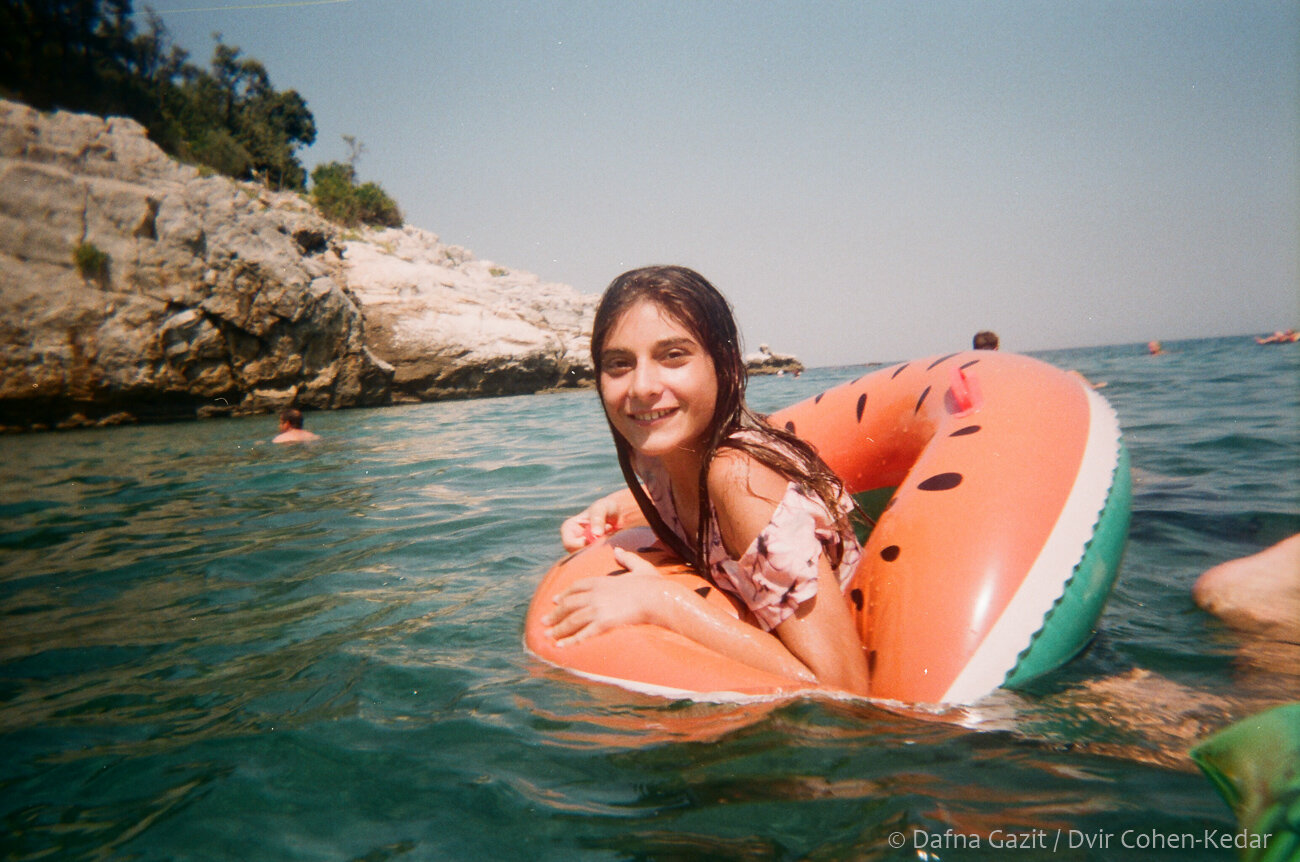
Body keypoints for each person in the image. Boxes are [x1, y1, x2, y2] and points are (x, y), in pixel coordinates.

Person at [545, 266, 870, 695]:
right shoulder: (654, 457)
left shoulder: (739, 477)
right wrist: (619, 505)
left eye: (673, 355)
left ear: (724, 365)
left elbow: (843, 687)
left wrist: (659, 602)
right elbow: (679, 495)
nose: (641, 386)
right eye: (619, 364)